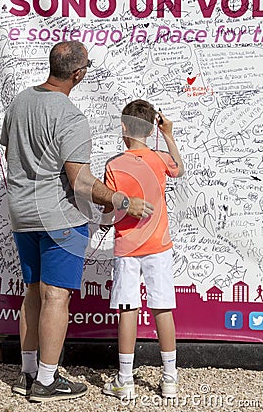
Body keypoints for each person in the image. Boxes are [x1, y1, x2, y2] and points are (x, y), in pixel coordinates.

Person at [0, 42, 154, 403]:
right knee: (56, 296)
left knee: (34, 292)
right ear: (79, 73)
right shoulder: (70, 117)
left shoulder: (20, 102)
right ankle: (48, 382)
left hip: (21, 213)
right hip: (58, 218)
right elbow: (81, 182)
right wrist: (122, 201)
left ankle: (27, 373)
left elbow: (12, 151)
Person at [101, 99, 184, 400]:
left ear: (123, 126)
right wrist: (170, 134)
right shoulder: (160, 159)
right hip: (159, 244)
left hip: (127, 246)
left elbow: (110, 210)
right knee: (162, 307)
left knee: (127, 308)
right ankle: (170, 379)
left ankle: (125, 380)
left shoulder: (113, 164)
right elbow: (180, 169)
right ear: (152, 129)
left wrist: (102, 221)